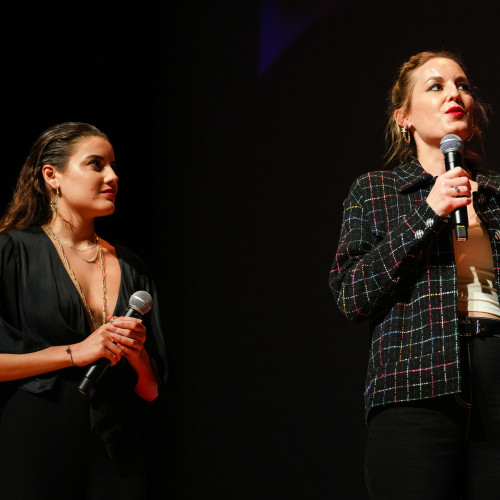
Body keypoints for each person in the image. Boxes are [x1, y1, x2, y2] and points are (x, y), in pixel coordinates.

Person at [329, 50, 500, 499]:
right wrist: (429, 211)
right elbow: (351, 295)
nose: (454, 94)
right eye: (436, 86)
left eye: (462, 86)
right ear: (403, 117)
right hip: (416, 391)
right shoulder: (376, 192)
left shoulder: (497, 193)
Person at [0, 122, 168, 499]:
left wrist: (136, 353)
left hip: (115, 450)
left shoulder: (132, 266)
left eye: (113, 166)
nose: (112, 177)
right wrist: (75, 353)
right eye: (96, 164)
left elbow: (150, 391)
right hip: (36, 442)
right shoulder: (12, 252)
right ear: (52, 176)